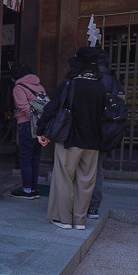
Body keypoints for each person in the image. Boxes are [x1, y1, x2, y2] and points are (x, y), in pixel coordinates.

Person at [36, 46, 107, 230]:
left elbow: (51, 108)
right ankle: (80, 221)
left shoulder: (71, 84)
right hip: (93, 141)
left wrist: (41, 130)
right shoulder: (101, 86)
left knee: (64, 179)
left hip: (70, 139)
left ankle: (64, 220)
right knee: (86, 182)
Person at [87, 49, 121, 219]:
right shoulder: (114, 81)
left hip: (92, 128)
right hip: (109, 130)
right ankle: (94, 207)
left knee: (84, 168)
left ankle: (84, 204)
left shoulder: (93, 79)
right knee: (98, 169)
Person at [10, 62, 45, 200]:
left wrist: (32, 117)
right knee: (35, 158)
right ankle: (34, 188)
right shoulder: (39, 85)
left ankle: (27, 190)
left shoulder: (19, 87)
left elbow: (23, 106)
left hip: (26, 124)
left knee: (25, 158)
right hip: (40, 125)